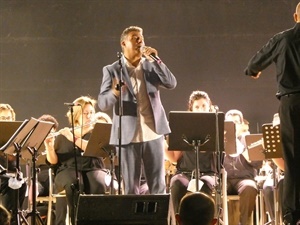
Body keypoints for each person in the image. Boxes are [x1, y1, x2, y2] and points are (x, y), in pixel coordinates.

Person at [98, 26, 177, 194]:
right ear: (123, 43)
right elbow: (102, 103)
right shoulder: (112, 70)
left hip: (153, 132)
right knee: (130, 188)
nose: (140, 41)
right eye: (135, 38)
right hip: (127, 137)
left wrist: (157, 60)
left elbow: (171, 83)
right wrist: (114, 92)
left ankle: (158, 220)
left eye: (141, 37)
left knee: (158, 186)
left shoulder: (151, 66)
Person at [244, 3, 300, 224]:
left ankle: (291, 216)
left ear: (296, 16)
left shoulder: (283, 39)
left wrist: (253, 71)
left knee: (293, 161)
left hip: (292, 103)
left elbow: (254, 64)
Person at [45, 96, 108, 225]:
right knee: (74, 185)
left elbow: (94, 149)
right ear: (77, 115)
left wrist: (73, 138)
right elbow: (53, 162)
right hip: (68, 170)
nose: (90, 116)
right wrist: (49, 147)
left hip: (93, 167)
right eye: (86, 113)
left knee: (98, 185)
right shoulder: (63, 135)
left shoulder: (96, 132)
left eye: (91, 112)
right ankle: (76, 221)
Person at [165, 90, 218, 214]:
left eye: (204, 106)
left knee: (204, 184)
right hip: (185, 172)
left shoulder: (215, 125)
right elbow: (174, 157)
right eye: (197, 107)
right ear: (191, 110)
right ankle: (180, 220)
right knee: (177, 184)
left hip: (208, 173)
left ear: (209, 107)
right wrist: (161, 141)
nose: (201, 109)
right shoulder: (184, 127)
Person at [223, 109, 262, 225]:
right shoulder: (221, 140)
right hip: (226, 179)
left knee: (250, 187)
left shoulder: (248, 140)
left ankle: (244, 222)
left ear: (241, 124)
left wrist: (245, 151)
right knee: (215, 188)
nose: (234, 125)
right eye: (230, 123)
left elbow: (258, 164)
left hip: (244, 179)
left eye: (236, 122)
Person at [0, 103, 27, 225]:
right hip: (2, 176)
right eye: (3, 118)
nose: (7, 121)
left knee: (22, 184)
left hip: (9, 174)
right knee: (8, 184)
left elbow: (14, 161)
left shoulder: (15, 138)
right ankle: (6, 219)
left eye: (9, 119)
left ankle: (14, 218)